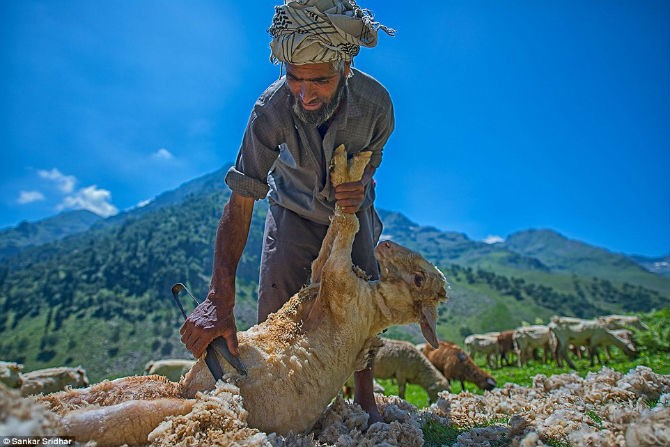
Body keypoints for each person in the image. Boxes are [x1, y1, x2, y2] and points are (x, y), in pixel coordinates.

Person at [180, 0, 395, 425]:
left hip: (352, 212)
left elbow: (375, 156)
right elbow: (240, 201)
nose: (305, 92)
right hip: (291, 209)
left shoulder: (376, 105)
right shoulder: (270, 111)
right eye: (294, 78)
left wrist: (360, 184)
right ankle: (283, 404)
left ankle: (365, 401)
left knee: (363, 293)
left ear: (346, 67)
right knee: (278, 304)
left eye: (320, 80)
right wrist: (218, 298)